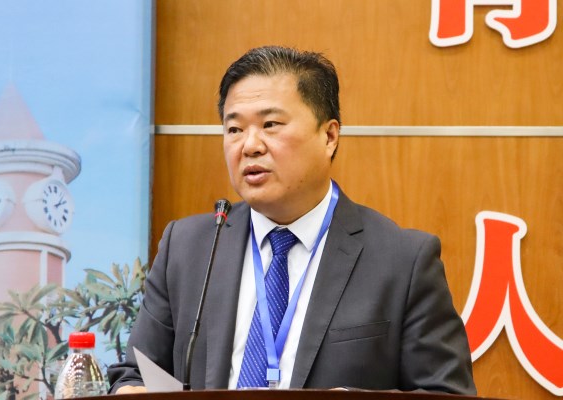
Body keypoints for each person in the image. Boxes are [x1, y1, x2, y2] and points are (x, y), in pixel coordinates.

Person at [108, 46, 476, 394]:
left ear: (329, 136)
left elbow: (446, 394)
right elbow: (136, 372)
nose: (249, 145)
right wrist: (130, 389)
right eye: (234, 129)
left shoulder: (402, 261)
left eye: (270, 124)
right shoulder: (188, 247)